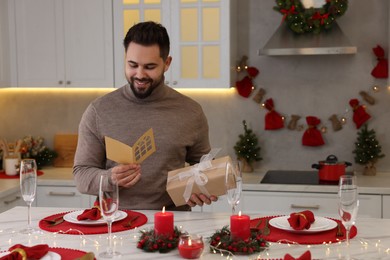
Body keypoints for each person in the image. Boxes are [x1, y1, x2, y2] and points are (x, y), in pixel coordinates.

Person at [73, 21, 217, 211]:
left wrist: (202, 188)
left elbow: (204, 167)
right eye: (132, 65)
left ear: (167, 63)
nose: (139, 74)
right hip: (114, 220)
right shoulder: (99, 111)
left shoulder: (191, 111)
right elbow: (81, 175)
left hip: (172, 221)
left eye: (149, 67)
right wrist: (110, 178)